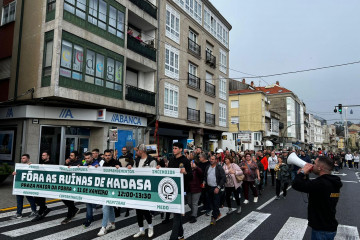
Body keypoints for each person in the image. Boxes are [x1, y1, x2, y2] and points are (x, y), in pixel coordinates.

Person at [292, 156, 343, 240]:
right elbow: (310, 186)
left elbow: (296, 185)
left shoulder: (321, 183)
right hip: (328, 226)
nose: (312, 165)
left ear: (320, 168)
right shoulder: (332, 182)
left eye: (315, 164)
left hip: (322, 229)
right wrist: (304, 176)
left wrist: (301, 173)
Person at [131, 144, 157, 238]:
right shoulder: (136, 160)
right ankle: (141, 229)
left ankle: (150, 226)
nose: (136, 152)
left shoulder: (152, 160)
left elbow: (155, 175)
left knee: (145, 209)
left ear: (141, 151)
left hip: (147, 189)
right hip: (138, 188)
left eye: (137, 150)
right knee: (138, 210)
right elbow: (133, 172)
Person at [168, 142, 192, 240]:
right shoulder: (171, 160)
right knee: (176, 213)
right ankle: (181, 234)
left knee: (177, 215)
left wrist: (185, 172)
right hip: (171, 190)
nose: (174, 150)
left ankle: (173, 237)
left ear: (181, 149)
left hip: (181, 191)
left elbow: (191, 176)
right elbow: (168, 172)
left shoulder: (185, 161)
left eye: (176, 148)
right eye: (173, 148)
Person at [97, 149, 120, 236]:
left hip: (113, 189)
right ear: (103, 155)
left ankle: (103, 227)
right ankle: (113, 224)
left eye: (109, 155)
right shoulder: (102, 163)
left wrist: (119, 168)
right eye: (106, 155)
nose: (107, 157)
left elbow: (123, 173)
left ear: (111, 155)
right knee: (109, 207)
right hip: (104, 189)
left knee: (105, 207)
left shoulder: (116, 162)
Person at [11, 154, 37, 219]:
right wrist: (14, 174)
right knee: (19, 200)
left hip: (27, 186)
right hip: (19, 186)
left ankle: (34, 211)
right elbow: (16, 176)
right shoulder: (19, 166)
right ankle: (19, 213)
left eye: (24, 158)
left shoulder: (31, 166)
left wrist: (31, 166)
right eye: (22, 158)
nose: (22, 159)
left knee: (30, 199)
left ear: (28, 159)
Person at [203, 155, 226, 225]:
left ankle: (214, 217)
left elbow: (223, 178)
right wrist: (204, 182)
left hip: (216, 188)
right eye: (210, 159)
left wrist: (218, 187)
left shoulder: (219, 168)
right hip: (209, 187)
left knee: (216, 203)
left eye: (213, 159)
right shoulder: (207, 167)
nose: (211, 160)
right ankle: (218, 213)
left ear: (216, 160)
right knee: (211, 202)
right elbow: (205, 176)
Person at [61, 151, 82, 224]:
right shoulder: (69, 162)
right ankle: (74, 209)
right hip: (68, 183)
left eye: (72, 156)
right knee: (63, 197)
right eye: (70, 155)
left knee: (70, 200)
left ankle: (68, 217)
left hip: (75, 184)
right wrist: (66, 164)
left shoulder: (79, 163)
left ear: (76, 157)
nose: (70, 157)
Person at [32, 151, 53, 222]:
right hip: (40, 183)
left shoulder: (51, 163)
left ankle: (40, 213)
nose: (42, 156)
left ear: (48, 156)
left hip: (46, 183)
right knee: (36, 198)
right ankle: (45, 208)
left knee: (41, 198)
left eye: (44, 155)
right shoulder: (41, 163)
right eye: (42, 155)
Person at [82, 152, 99, 227]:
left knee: (91, 203)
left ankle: (89, 217)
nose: (87, 160)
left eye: (88, 158)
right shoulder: (85, 164)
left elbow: (98, 167)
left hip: (95, 187)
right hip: (88, 186)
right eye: (85, 158)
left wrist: (94, 167)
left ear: (92, 157)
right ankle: (89, 218)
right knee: (88, 203)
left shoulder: (96, 163)